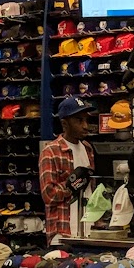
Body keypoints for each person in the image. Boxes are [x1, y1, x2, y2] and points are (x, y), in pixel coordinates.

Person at [39, 95, 98, 238]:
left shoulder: (87, 148)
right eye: (79, 120)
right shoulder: (51, 151)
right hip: (62, 233)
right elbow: (48, 195)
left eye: (86, 120)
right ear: (65, 124)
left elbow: (91, 189)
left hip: (88, 229)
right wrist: (72, 185)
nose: (85, 126)